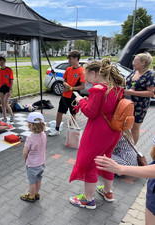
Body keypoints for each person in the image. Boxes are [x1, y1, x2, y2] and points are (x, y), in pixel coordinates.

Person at [69, 59, 125, 209]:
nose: (86, 81)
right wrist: (88, 101)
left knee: (89, 164)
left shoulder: (98, 89)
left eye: (87, 77)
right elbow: (104, 108)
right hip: (113, 131)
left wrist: (81, 101)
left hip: (98, 132)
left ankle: (88, 200)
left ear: (94, 73)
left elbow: (90, 113)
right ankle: (108, 192)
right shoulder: (116, 88)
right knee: (107, 160)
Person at [95, 136, 155, 225]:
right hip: (151, 186)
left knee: (101, 156)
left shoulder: (116, 130)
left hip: (127, 162)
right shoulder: (122, 128)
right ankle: (106, 191)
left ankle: (104, 191)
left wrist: (121, 169)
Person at [49, 50, 86, 136]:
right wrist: (65, 84)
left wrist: (71, 88)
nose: (69, 61)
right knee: (59, 112)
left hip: (74, 97)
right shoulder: (68, 69)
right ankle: (56, 130)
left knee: (73, 114)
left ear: (76, 59)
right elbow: (64, 81)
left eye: (71, 59)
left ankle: (71, 132)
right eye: (69, 59)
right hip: (65, 95)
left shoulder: (81, 71)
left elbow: (83, 86)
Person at [125, 52, 155, 144]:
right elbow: (130, 84)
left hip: (139, 106)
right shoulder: (135, 71)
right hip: (127, 103)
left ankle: (133, 149)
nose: (133, 62)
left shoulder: (150, 75)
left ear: (143, 63)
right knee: (125, 125)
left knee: (135, 127)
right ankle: (125, 146)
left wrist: (132, 92)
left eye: (135, 60)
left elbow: (151, 93)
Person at [20, 112, 46, 203]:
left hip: (32, 164)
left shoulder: (30, 138)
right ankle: (36, 193)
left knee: (32, 182)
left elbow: (25, 152)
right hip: (41, 163)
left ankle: (31, 196)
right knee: (38, 179)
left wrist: (25, 160)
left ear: (30, 125)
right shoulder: (43, 134)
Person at [0, 56, 14, 123]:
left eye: (2, 61)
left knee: (6, 103)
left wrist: (10, 89)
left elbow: (11, 81)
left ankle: (12, 115)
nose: (0, 63)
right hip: (1, 88)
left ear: (4, 61)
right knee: (2, 104)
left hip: (7, 88)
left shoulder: (9, 70)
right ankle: (4, 118)